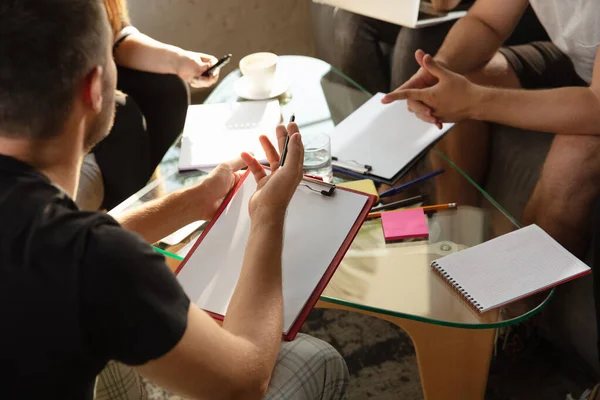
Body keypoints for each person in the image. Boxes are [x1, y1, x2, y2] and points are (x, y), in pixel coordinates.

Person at [0, 1, 349, 399]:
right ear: (96, 88)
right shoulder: (95, 261)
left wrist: (195, 200)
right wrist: (268, 215)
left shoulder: (66, 249)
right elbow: (246, 380)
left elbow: (62, 252)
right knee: (319, 360)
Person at [382, 0, 600, 258]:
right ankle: (454, 242)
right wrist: (441, 70)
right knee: (454, 86)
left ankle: (518, 291)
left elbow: (596, 106)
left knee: (571, 163)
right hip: (580, 64)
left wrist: (473, 102)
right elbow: (486, 21)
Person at [78, 0, 220, 211]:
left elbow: (116, 36)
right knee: (123, 119)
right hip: (44, 94)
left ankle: (149, 202)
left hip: (87, 75)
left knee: (168, 88)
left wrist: (179, 61)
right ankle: (124, 220)